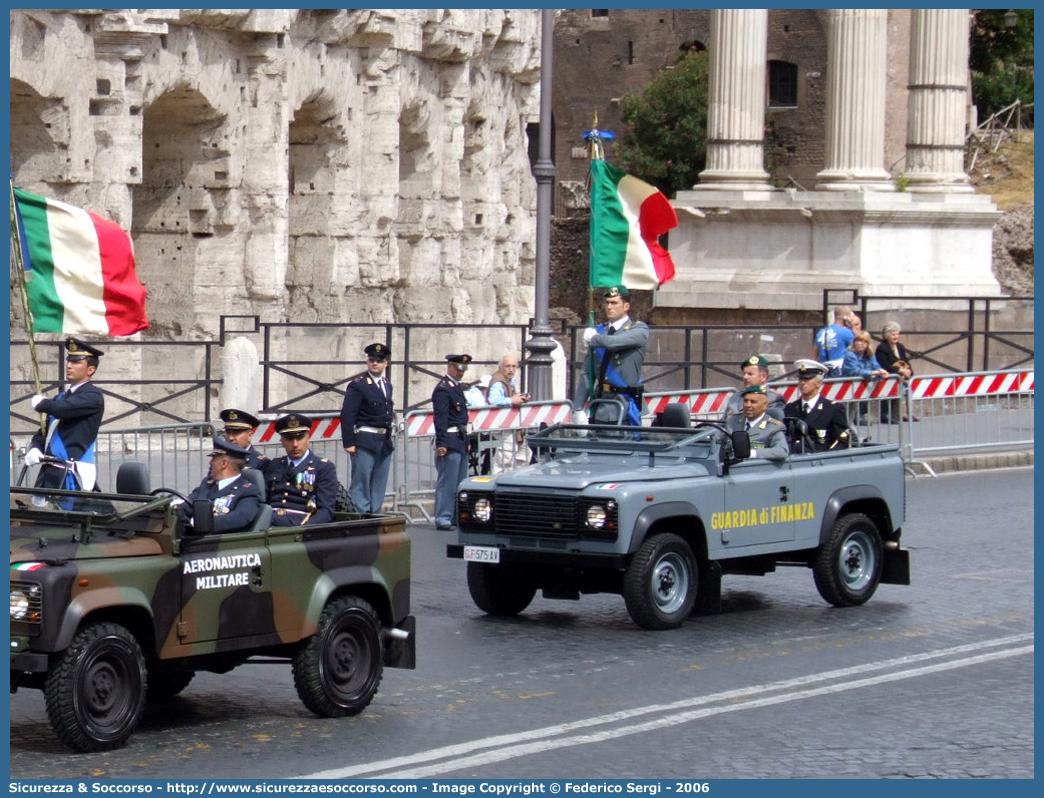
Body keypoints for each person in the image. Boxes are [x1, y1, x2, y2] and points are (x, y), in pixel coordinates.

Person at [25, 338, 105, 491]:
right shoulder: (61, 398)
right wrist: (36, 447)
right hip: (49, 475)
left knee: (71, 514)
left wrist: (42, 404)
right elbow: (43, 433)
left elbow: (63, 409)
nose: (69, 365)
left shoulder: (93, 396)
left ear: (90, 370)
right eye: (69, 360)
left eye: (76, 362)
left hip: (73, 477)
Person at [573, 285, 649, 426]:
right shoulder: (599, 331)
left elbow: (614, 343)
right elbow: (587, 373)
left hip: (627, 408)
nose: (609, 307)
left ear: (626, 306)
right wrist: (578, 408)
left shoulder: (639, 330)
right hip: (601, 407)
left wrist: (594, 339)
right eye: (607, 302)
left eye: (614, 303)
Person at [340, 342, 396, 514]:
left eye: (379, 360)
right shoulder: (358, 385)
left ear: (386, 363)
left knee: (379, 482)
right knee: (361, 482)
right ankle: (360, 517)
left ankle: (374, 514)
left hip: (383, 439)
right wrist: (349, 442)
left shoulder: (387, 385)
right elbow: (348, 414)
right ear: (367, 361)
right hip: (365, 439)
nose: (375, 363)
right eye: (372, 359)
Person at [266, 413, 338, 525]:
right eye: (289, 439)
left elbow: (326, 511)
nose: (295, 444)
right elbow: (264, 500)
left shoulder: (323, 467)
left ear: (308, 438)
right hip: (269, 523)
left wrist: (303, 528)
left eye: (299, 438)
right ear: (282, 441)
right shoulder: (275, 464)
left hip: (300, 525)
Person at [182, 437, 263, 534]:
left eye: (214, 458)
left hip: (220, 543)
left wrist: (200, 523)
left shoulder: (248, 491)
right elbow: (187, 505)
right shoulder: (207, 485)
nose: (210, 462)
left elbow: (240, 517)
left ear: (224, 463)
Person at [432, 353, 472, 530]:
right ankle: (443, 516)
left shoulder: (456, 387)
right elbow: (441, 419)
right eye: (457, 368)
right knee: (447, 482)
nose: (460, 372)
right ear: (449, 366)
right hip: (449, 439)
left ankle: (456, 515)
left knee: (460, 482)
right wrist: (441, 443)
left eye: (463, 369)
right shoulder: (443, 388)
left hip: (460, 439)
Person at [784, 360, 851, 453]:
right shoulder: (791, 408)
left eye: (807, 379)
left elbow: (841, 442)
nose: (802, 383)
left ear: (818, 383)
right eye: (800, 379)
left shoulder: (833, 409)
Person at [487, 354, 531, 472]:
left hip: (511, 424)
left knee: (524, 453)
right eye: (507, 366)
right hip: (502, 425)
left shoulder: (509, 381)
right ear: (501, 367)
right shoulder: (498, 382)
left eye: (513, 366)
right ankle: (499, 481)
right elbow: (494, 400)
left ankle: (516, 479)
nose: (511, 369)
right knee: (506, 457)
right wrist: (511, 400)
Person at [725, 385, 789, 462]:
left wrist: (753, 453)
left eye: (753, 402)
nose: (748, 405)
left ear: (765, 405)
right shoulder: (732, 421)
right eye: (746, 401)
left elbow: (782, 450)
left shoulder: (773, 427)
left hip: (756, 470)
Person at [875, 320, 918, 423]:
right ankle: (891, 415)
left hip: (901, 376)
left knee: (908, 387)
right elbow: (884, 365)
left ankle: (908, 413)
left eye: (897, 334)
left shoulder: (900, 347)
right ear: (886, 335)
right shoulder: (882, 348)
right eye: (893, 334)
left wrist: (908, 372)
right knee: (894, 388)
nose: (896, 337)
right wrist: (900, 371)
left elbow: (906, 362)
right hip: (889, 376)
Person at [842, 331, 889, 425]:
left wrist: (882, 371)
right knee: (846, 416)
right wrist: (874, 372)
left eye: (863, 341)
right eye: (857, 341)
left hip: (861, 388)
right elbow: (855, 371)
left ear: (867, 344)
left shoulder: (870, 355)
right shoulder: (850, 355)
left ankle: (858, 418)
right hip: (847, 388)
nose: (859, 343)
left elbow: (875, 366)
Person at [721, 354, 786, 422]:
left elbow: (772, 426)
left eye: (750, 374)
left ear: (763, 377)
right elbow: (722, 423)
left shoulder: (773, 398)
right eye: (744, 373)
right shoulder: (735, 398)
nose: (745, 377)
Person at [219, 408, 269, 473]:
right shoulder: (219, 459)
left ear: (249, 436)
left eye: (236, 433)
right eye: (228, 432)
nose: (230, 438)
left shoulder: (261, 463)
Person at [813, 305, 855, 377]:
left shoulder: (821, 333)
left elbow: (814, 356)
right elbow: (856, 349)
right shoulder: (846, 332)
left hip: (823, 370)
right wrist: (852, 327)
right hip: (839, 369)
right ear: (846, 318)